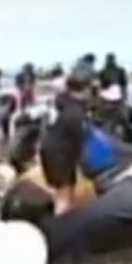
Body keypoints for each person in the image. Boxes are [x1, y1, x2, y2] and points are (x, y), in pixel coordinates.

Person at [40, 74, 91, 214]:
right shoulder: (75, 112)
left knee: (59, 193)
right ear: (85, 89)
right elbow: (81, 137)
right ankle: (61, 223)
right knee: (65, 197)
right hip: (61, 155)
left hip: (49, 150)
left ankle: (59, 217)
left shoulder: (61, 101)